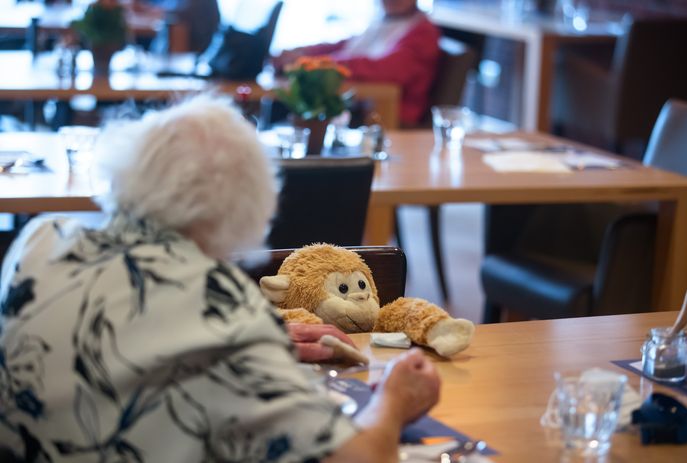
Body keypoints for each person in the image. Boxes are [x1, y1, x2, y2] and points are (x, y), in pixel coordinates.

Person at [0, 95, 440, 462]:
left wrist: (255, 351)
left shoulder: (41, 238)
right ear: (251, 204)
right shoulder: (218, 302)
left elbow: (109, 335)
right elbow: (356, 459)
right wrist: (395, 401)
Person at [272, 0, 441, 127]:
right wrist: (303, 53)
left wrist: (310, 62)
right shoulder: (385, 21)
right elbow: (347, 46)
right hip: (358, 103)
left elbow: (384, 69)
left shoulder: (423, 32)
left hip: (383, 113)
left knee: (291, 107)